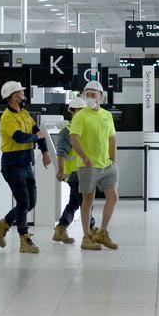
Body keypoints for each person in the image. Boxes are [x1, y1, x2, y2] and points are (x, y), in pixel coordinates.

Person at [0, 80, 51, 254]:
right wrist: (35, 136)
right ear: (13, 97)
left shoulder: (24, 113)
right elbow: (19, 137)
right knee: (23, 201)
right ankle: (24, 240)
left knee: (31, 202)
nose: (23, 93)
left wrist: (45, 152)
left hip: (26, 162)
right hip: (12, 163)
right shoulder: (7, 117)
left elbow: (38, 133)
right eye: (20, 92)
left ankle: (3, 224)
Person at [70, 80, 119, 251]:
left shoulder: (107, 115)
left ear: (101, 96)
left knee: (113, 197)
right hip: (88, 165)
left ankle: (102, 233)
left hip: (106, 165)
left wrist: (113, 160)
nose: (90, 97)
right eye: (87, 95)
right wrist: (84, 157)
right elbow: (74, 138)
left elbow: (112, 138)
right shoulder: (80, 116)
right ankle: (86, 237)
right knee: (88, 199)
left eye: (93, 94)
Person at [52, 94, 86, 244]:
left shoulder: (85, 128)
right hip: (74, 174)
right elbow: (61, 152)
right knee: (85, 202)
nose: (80, 114)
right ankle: (91, 229)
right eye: (77, 110)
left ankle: (61, 229)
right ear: (72, 111)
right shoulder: (68, 131)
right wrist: (60, 170)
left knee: (74, 202)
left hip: (85, 173)